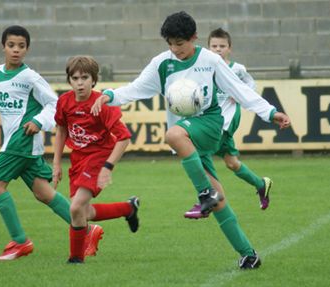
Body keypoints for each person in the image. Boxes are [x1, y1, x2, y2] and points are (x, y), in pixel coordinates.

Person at [91, 11, 290, 269]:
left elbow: (239, 90)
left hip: (208, 123)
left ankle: (204, 193)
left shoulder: (211, 61)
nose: (175, 49)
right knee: (220, 203)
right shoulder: (163, 63)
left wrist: (271, 113)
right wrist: (109, 95)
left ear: (194, 38)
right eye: (170, 43)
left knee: (173, 134)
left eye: (180, 43)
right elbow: (136, 88)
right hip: (190, 136)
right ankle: (249, 254)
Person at [0, 25, 102, 261]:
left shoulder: (30, 77)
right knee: (44, 193)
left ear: (27, 49)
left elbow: (55, 104)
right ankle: (88, 230)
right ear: (3, 47)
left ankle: (20, 242)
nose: (16, 50)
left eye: (21, 46)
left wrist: (39, 122)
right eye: (11, 45)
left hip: (21, 141)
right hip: (20, 145)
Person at [53, 55, 139, 264]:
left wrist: (108, 166)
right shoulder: (64, 102)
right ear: (69, 80)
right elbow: (61, 129)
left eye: (85, 77)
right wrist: (56, 163)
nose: (80, 83)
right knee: (83, 212)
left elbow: (124, 138)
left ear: (93, 79)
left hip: (99, 157)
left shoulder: (102, 103)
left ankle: (75, 260)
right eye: (75, 78)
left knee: (74, 208)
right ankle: (128, 208)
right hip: (78, 160)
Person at [184, 28, 273, 219]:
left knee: (200, 151)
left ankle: (207, 199)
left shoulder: (237, 69)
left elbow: (251, 86)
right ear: (208, 48)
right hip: (212, 120)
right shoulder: (204, 67)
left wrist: (238, 94)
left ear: (229, 48)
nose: (217, 49)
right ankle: (261, 184)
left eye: (222, 46)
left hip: (228, 120)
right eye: (214, 46)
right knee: (232, 163)